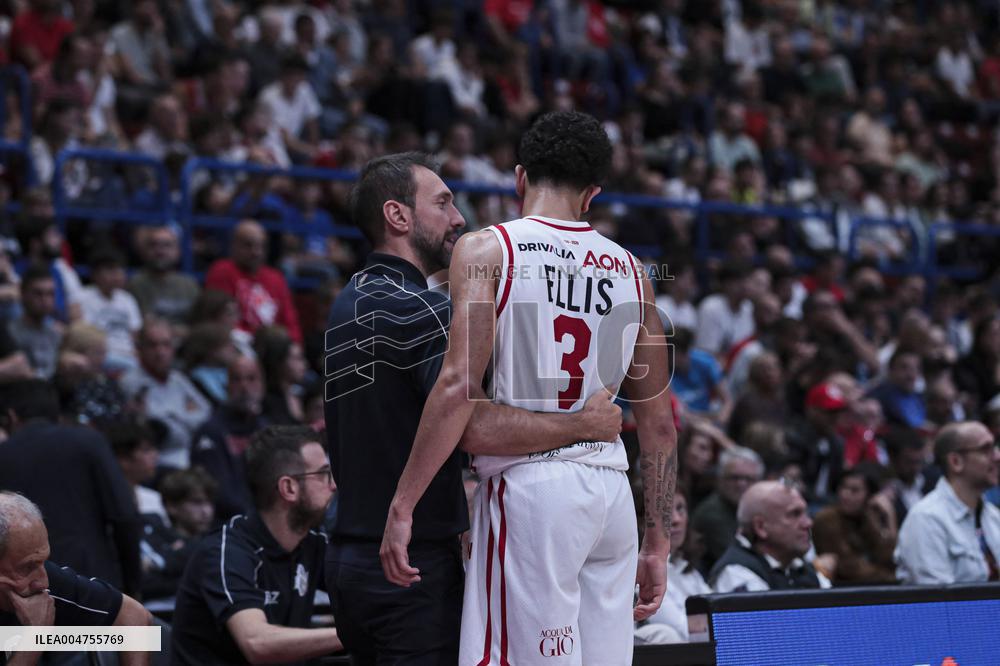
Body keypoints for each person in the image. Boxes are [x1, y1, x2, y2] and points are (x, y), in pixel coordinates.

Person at [380, 112, 677, 665]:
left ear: (520, 177)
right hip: (611, 497)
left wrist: (403, 504)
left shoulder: (487, 249)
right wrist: (657, 542)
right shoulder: (635, 272)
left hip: (533, 491)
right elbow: (660, 425)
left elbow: (456, 387)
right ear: (592, 195)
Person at [323, 150, 624, 664]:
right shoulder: (428, 310)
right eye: (442, 203)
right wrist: (583, 424)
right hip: (410, 562)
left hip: (348, 560)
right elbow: (476, 428)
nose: (459, 219)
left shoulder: (346, 301)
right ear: (398, 216)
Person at [170, 425, 343, 664]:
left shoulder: (312, 544)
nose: (333, 485)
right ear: (289, 488)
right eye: (323, 474)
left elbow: (368, 589)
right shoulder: (226, 551)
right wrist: (350, 636)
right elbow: (258, 644)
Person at [0, 380, 141, 598]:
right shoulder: (88, 441)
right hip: (93, 582)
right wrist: (133, 585)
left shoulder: (3, 454)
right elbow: (124, 515)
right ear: (57, 414)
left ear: (11, 416)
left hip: (24, 589)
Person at [0, 492, 152, 666]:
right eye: (27, 567)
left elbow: (133, 615)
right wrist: (36, 638)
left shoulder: (37, 580)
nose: (43, 582)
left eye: (43, 561)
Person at [895, 421, 1000, 584]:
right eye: (986, 449)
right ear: (956, 462)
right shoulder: (926, 519)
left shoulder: (994, 517)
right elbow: (939, 603)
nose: (998, 456)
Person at [121, 319, 212, 469]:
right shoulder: (131, 382)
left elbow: (206, 414)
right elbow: (159, 428)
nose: (160, 352)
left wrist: (173, 415)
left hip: (192, 456)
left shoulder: (178, 379)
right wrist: (186, 413)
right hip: (161, 462)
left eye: (166, 345)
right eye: (153, 345)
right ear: (140, 349)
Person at [710, 480, 832, 592]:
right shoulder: (736, 573)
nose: (808, 523)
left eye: (806, 513)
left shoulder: (799, 566)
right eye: (795, 514)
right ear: (760, 527)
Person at [190, 354, 267, 521]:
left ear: (262, 384)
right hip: (230, 525)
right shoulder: (211, 431)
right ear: (226, 386)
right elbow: (219, 492)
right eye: (237, 380)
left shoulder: (267, 429)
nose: (244, 386)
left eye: (251, 379)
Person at [205, 219, 302, 343]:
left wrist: (294, 344)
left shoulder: (276, 278)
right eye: (248, 245)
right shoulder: (222, 271)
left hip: (274, 348)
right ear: (234, 245)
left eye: (261, 246)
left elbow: (290, 322)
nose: (256, 252)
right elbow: (219, 319)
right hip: (237, 344)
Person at [635, 485, 710, 644]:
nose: (676, 519)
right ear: (642, 522)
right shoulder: (640, 572)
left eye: (680, 509)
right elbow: (687, 635)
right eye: (665, 512)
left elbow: (719, 611)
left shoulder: (685, 566)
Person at [812, 465, 898, 585]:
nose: (845, 494)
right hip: (841, 590)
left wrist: (890, 517)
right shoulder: (827, 519)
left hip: (872, 586)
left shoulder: (867, 516)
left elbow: (889, 559)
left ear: (869, 496)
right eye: (843, 487)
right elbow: (850, 568)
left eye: (854, 490)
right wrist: (892, 577)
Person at [690, 447, 765, 569]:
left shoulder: (756, 508)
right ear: (720, 479)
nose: (741, 484)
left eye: (749, 479)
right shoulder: (711, 514)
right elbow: (739, 561)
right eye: (734, 477)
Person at [78, 247, 143, 371]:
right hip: (101, 356)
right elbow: (84, 335)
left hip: (129, 355)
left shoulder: (127, 299)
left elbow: (136, 334)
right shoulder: (84, 297)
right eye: (110, 269)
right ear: (95, 274)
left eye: (119, 269)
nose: (117, 274)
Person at [127, 225, 200, 334]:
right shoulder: (136, 284)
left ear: (178, 251)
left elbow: (200, 323)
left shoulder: (190, 284)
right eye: (154, 245)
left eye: (167, 245)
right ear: (144, 251)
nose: (160, 251)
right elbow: (146, 325)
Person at [6, 265, 63, 379]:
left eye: (50, 294)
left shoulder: (57, 334)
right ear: (23, 294)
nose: (45, 300)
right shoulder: (9, 334)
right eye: (38, 293)